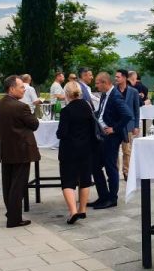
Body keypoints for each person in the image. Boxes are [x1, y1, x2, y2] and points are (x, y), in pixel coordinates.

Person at [0, 75, 40, 228]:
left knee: (7, 184)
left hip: (7, 149)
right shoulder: (21, 106)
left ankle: (11, 212)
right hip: (21, 150)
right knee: (18, 185)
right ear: (12, 88)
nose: (24, 89)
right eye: (21, 87)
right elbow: (34, 125)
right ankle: (14, 218)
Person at [56, 81, 97, 224]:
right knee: (85, 180)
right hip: (86, 149)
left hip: (69, 151)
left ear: (67, 94)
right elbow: (93, 129)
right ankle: (83, 209)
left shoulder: (66, 111)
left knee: (68, 181)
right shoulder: (87, 107)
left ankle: (73, 211)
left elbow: (61, 133)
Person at [90, 72, 132, 209]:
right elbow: (102, 113)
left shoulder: (116, 97)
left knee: (110, 166)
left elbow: (127, 115)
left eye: (97, 83)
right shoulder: (104, 95)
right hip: (103, 136)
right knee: (95, 165)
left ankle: (112, 198)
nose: (95, 85)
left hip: (112, 137)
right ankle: (103, 196)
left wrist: (114, 129)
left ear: (105, 83)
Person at [115, 69, 141, 182]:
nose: (116, 79)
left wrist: (136, 125)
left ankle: (127, 172)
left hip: (129, 125)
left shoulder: (133, 92)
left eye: (118, 77)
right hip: (115, 125)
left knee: (127, 150)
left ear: (125, 78)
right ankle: (115, 172)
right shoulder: (113, 91)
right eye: (115, 77)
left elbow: (136, 110)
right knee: (115, 150)